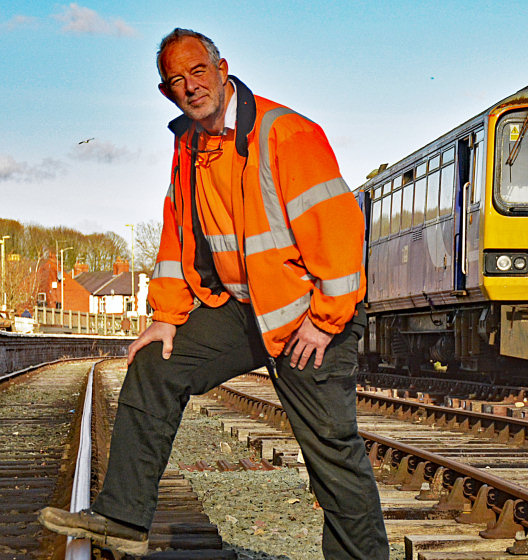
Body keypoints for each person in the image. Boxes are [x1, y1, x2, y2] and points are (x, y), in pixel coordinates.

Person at [39, 28, 389, 559]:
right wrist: (167, 315)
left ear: (223, 70)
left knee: (332, 455)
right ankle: (123, 518)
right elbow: (178, 237)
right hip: (247, 310)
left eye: (197, 71)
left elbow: (339, 234)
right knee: (156, 364)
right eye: (176, 80)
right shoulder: (188, 146)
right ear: (166, 92)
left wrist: (327, 319)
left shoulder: (286, 133)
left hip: (310, 314)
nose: (190, 86)